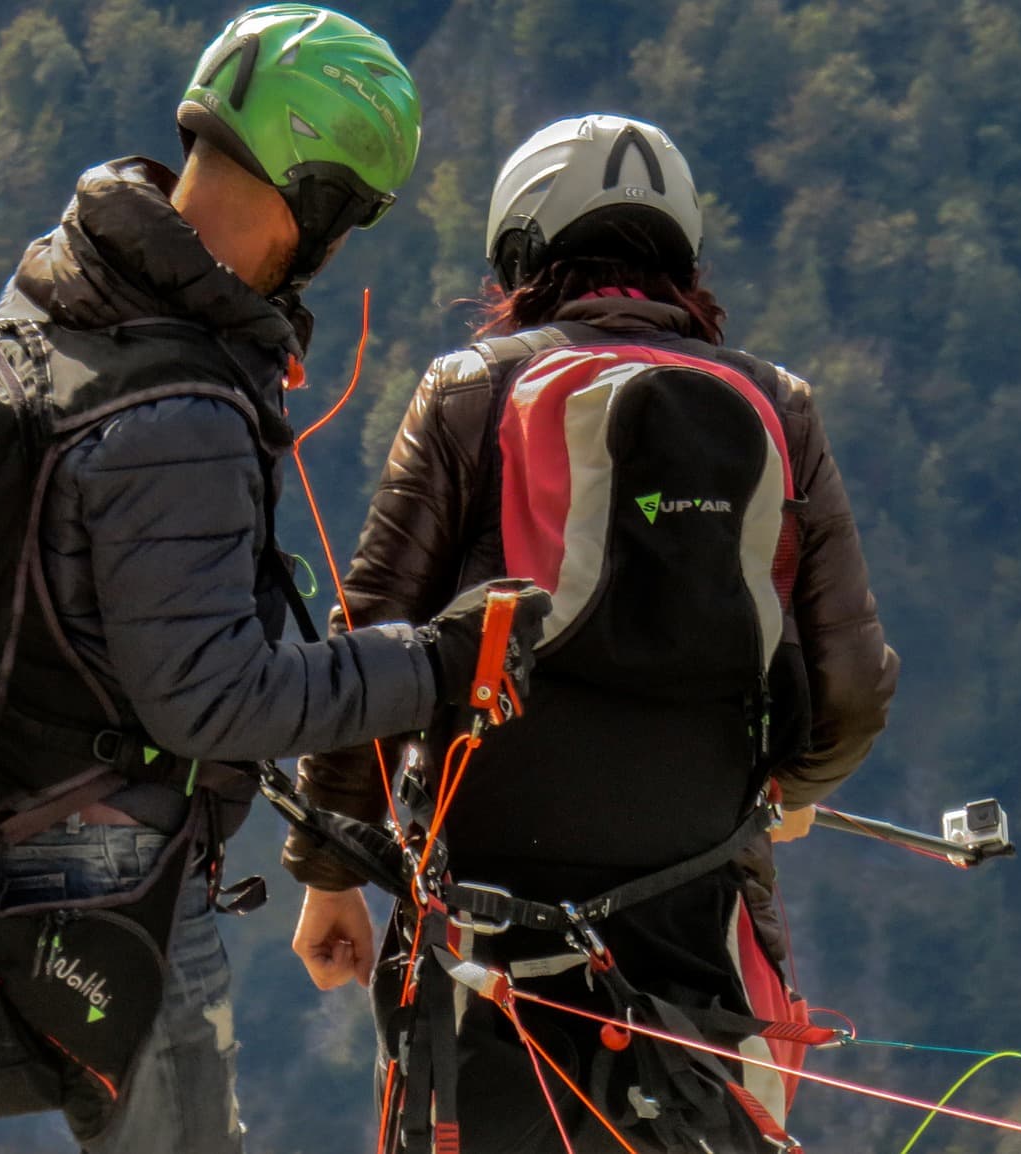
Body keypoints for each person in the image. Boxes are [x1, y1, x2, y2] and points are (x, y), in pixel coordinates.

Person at [0, 8, 548, 1152]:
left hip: (12, 810)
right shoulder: (177, 403)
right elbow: (211, 697)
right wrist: (431, 666)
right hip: (103, 863)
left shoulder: (66, 288)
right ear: (322, 200)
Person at [284, 114, 899, 1152]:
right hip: (695, 931)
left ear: (523, 252)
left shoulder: (470, 393)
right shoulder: (778, 409)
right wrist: (791, 790)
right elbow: (851, 684)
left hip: (485, 934)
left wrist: (328, 867)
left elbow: (371, 645)